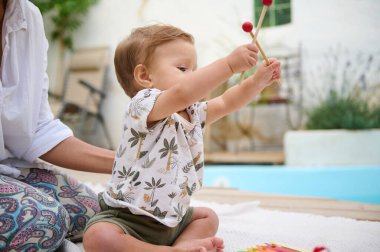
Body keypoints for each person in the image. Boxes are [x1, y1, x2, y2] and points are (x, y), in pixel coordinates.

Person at [83, 24, 281, 252]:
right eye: (183, 68)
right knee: (98, 236)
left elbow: (227, 102)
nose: (194, 77)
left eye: (194, 70)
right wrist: (228, 65)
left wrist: (258, 81)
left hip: (172, 218)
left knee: (208, 217)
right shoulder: (142, 104)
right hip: (129, 218)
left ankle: (185, 245)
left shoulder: (192, 111)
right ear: (145, 76)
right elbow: (183, 92)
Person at [0, 0, 115, 251]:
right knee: (45, 220)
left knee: (96, 215)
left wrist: (129, 163)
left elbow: (36, 130)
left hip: (7, 168)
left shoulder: (26, 16)